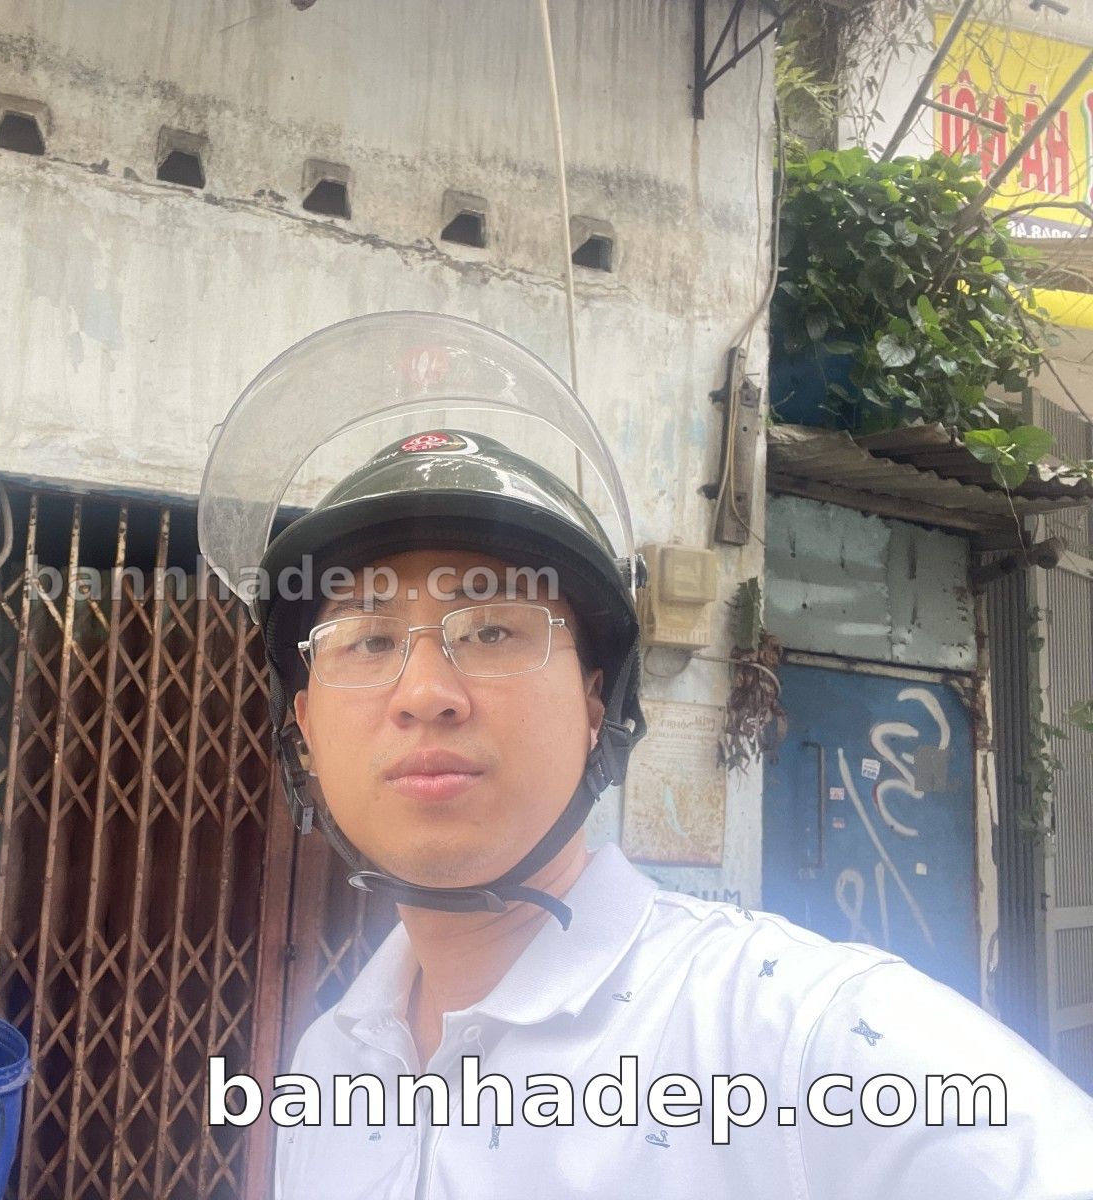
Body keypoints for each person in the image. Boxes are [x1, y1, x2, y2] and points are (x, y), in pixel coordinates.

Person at [198, 312, 1093, 1199]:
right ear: (304, 727)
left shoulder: (805, 1042)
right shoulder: (327, 1063)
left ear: (598, 705)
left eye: (494, 629)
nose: (425, 691)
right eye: (366, 640)